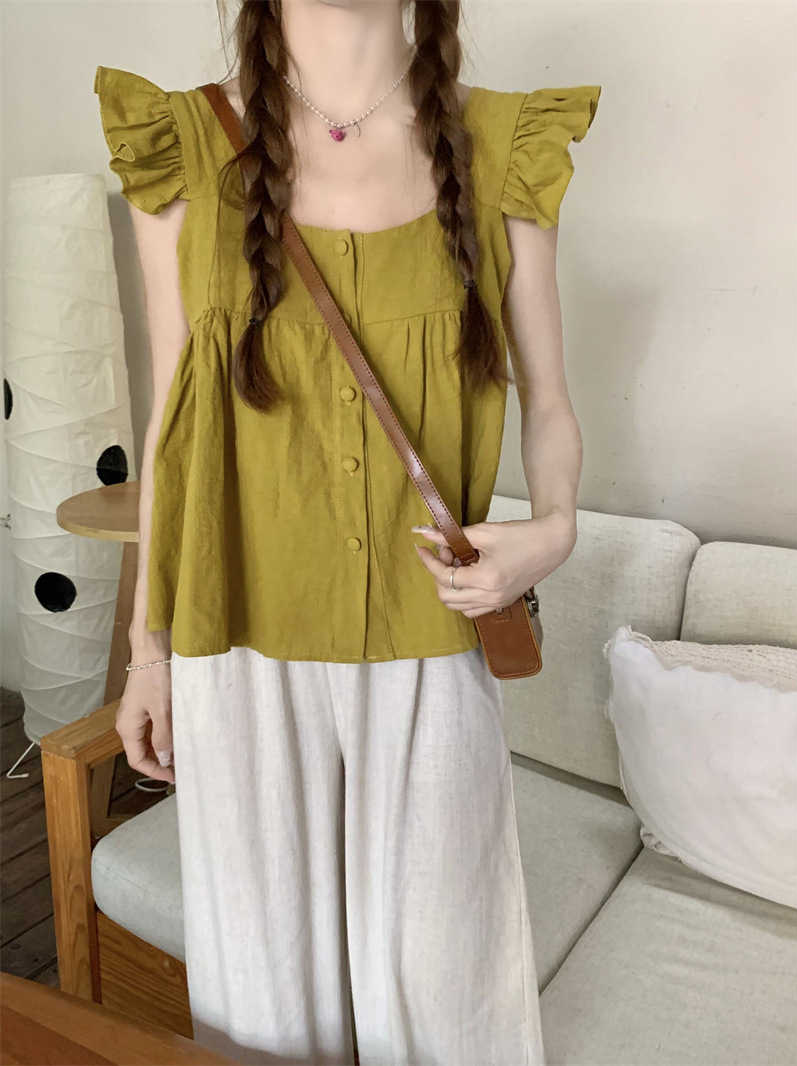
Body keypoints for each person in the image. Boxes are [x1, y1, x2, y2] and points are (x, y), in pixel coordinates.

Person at [94, 1, 600, 1063]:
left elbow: (550, 400)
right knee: (263, 997)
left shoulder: (504, 146)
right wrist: (146, 650)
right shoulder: (183, 146)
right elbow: (170, 424)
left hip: (429, 641)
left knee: (447, 998)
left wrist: (551, 530)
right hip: (236, 642)